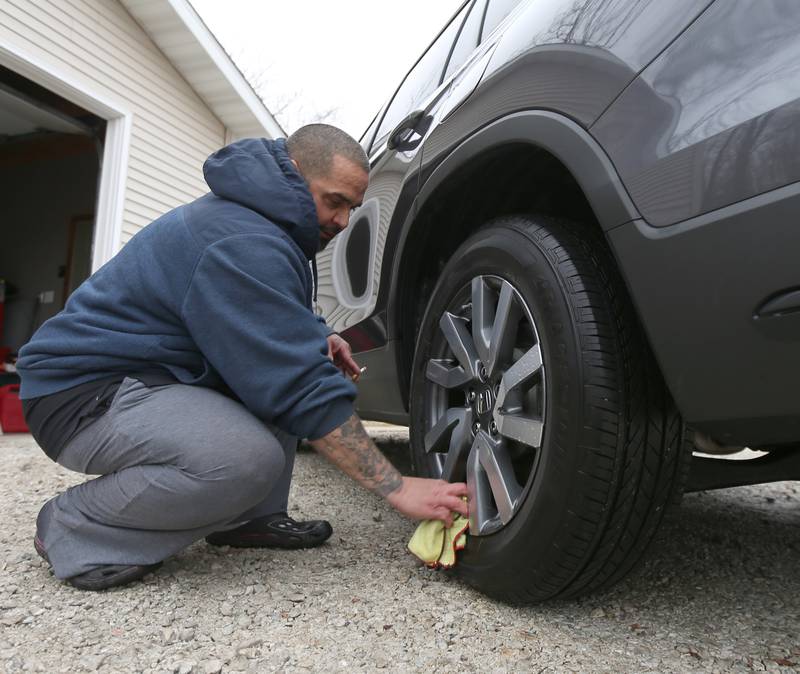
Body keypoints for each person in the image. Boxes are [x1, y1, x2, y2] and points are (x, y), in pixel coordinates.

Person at [17, 124, 468, 591]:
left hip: (145, 377)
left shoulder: (268, 223)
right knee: (245, 460)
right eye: (334, 201)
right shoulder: (240, 239)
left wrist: (316, 333)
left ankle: (249, 520)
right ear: (294, 173)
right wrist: (397, 487)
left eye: (352, 208)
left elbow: (269, 316)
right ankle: (75, 526)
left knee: (291, 364)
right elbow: (299, 386)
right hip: (80, 395)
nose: (343, 221)